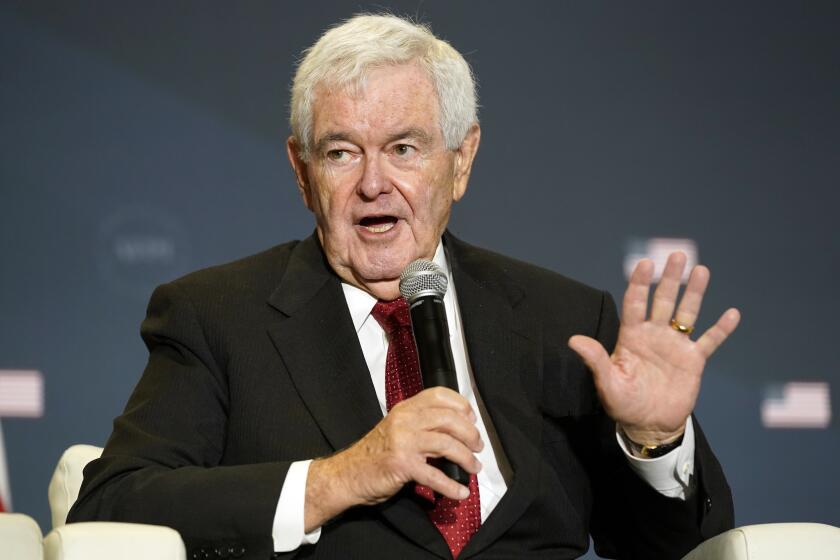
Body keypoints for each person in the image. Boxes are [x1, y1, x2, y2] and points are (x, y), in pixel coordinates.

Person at [69, 14, 741, 560]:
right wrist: (342, 477)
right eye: (340, 152)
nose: (372, 183)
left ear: (461, 161)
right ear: (302, 174)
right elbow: (113, 507)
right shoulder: (216, 319)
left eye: (404, 148)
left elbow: (677, 550)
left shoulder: (561, 320)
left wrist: (656, 440)